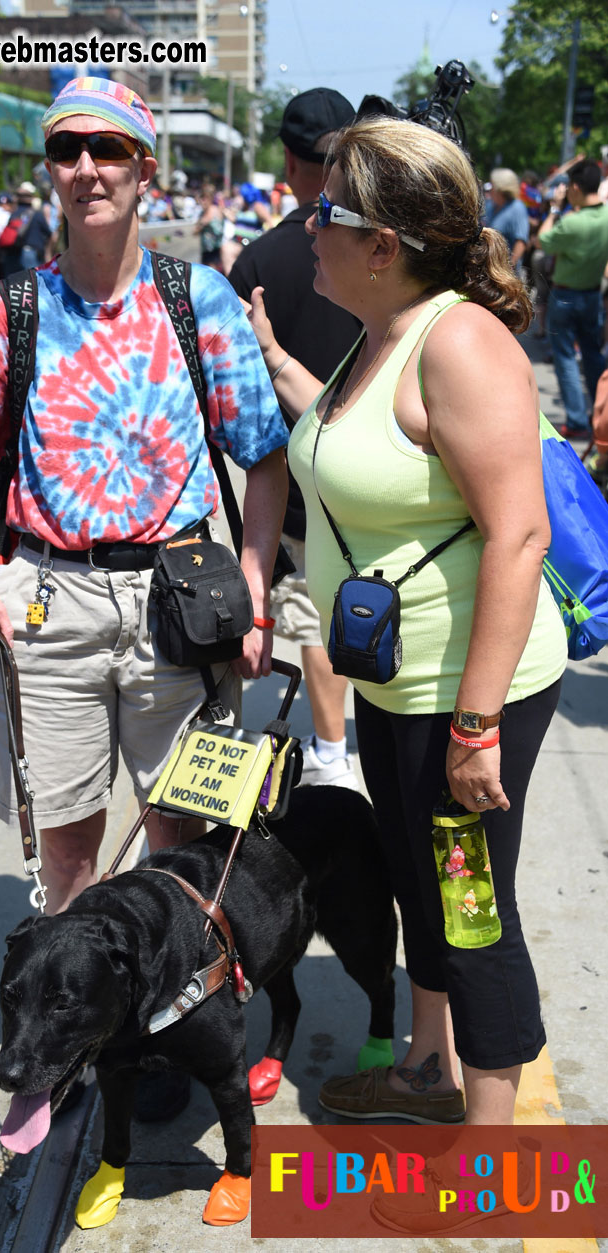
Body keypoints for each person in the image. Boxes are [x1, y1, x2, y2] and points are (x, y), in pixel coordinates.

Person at [242, 116, 568, 1126]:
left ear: (381, 242)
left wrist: (475, 727)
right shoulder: (377, 337)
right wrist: (263, 360)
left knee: (472, 914)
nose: (304, 228)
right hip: (391, 684)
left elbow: (520, 537)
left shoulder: (460, 341)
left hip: (466, 693)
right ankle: (427, 1071)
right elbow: (354, 448)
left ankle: (492, 1153)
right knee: (417, 889)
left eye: (321, 211)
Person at [0, 74, 287, 919]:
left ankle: (170, 1021)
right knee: (71, 848)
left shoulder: (199, 300)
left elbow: (266, 456)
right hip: (50, 612)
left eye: (106, 148)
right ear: (50, 169)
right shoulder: (14, 312)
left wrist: (255, 586)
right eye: (65, 149)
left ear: (143, 167)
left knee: (185, 833)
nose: (86, 168)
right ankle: (86, 1031)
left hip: (179, 603)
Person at [230, 87, 362, 790]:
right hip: (379, 473)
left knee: (313, 621)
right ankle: (347, 739)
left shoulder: (257, 261)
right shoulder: (378, 248)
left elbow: (234, 399)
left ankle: (332, 753)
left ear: (286, 161)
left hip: (299, 483)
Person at [539, 158, 608, 439]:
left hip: (566, 296)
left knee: (566, 357)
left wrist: (555, 209)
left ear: (576, 188)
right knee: (592, 355)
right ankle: (600, 412)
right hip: (593, 295)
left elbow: (543, 240)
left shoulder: (573, 223)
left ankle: (578, 420)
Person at [0, 182, 52, 277]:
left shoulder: (14, 215)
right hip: (31, 255)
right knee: (33, 287)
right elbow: (48, 233)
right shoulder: (37, 214)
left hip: (13, 255)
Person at [484, 168, 530, 272]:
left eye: (492, 185)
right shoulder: (490, 206)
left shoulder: (517, 207)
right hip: (489, 267)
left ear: (500, 188)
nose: (490, 189)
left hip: (505, 270)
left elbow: (521, 241)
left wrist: (510, 267)